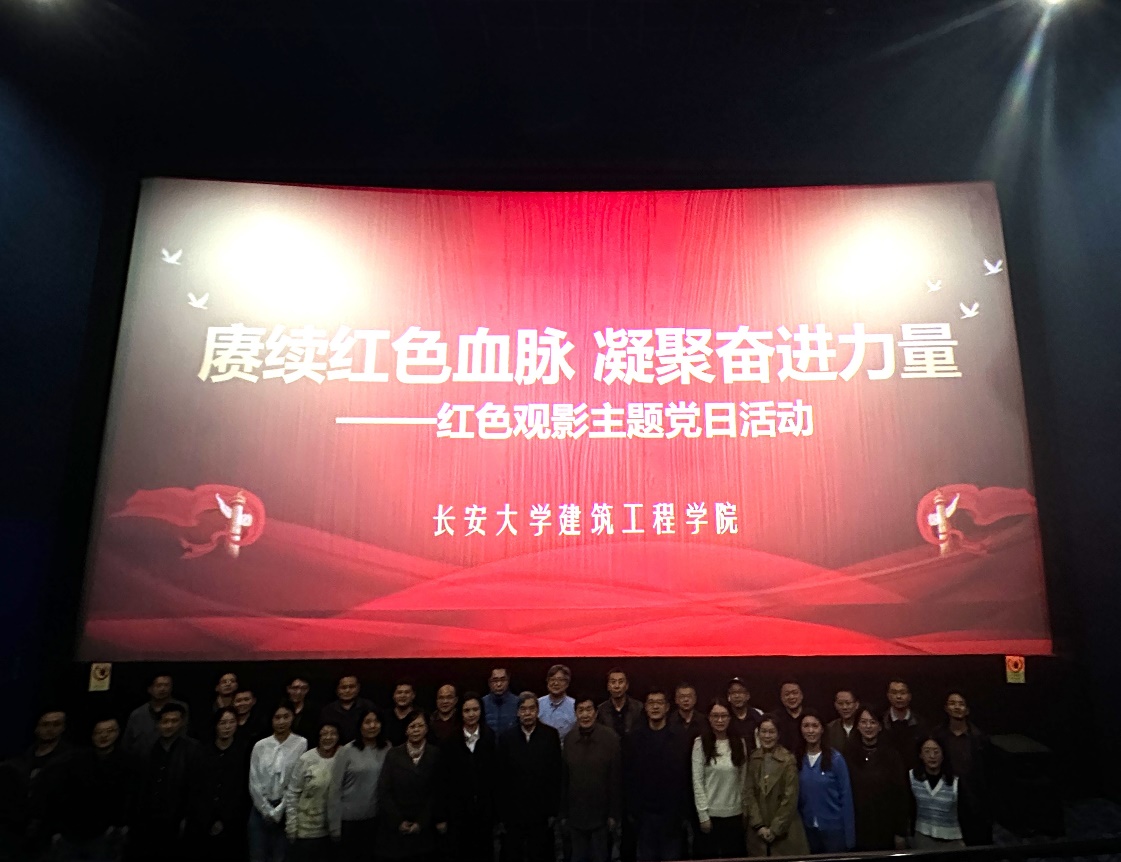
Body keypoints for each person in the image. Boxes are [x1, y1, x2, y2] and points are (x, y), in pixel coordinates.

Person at [622, 688, 690, 862]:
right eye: (651, 703)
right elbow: (628, 777)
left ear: (667, 707)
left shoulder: (680, 738)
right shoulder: (634, 739)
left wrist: (682, 813)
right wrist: (633, 810)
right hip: (644, 817)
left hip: (672, 816)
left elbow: (685, 778)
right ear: (645, 707)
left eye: (659, 703)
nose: (655, 707)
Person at [54, 716, 134, 862]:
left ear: (118, 733)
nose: (104, 735)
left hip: (106, 833)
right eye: (99, 732)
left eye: (109, 731)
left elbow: (129, 797)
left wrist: (120, 824)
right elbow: (63, 795)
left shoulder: (128, 763)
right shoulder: (75, 761)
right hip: (72, 832)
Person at [128, 703, 198, 862]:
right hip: (147, 819)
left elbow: (195, 788)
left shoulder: (192, 750)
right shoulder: (145, 749)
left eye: (174, 721)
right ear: (158, 723)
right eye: (165, 721)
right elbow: (136, 787)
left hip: (176, 819)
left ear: (182, 723)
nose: (169, 725)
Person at [1, 708, 75, 860]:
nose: (50, 729)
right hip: (18, 831)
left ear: (63, 727)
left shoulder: (70, 760)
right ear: (37, 728)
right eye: (46, 724)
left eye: (56, 724)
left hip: (51, 832)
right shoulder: (23, 757)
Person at [497, 692, 562, 862]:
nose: (527, 713)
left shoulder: (550, 735)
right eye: (523, 709)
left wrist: (553, 810)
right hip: (513, 811)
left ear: (537, 711)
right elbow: (501, 778)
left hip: (541, 810)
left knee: (541, 853)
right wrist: (502, 813)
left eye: (531, 709)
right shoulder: (506, 738)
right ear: (518, 712)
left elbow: (556, 774)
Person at [377, 711, 445, 861]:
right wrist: (398, 821)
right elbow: (384, 791)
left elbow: (437, 791)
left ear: (427, 729)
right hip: (397, 826)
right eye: (412, 726)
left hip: (426, 827)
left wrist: (421, 822)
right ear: (406, 730)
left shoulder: (435, 754)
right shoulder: (393, 754)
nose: (416, 730)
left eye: (420, 726)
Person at [439, 692, 498, 862]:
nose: (471, 714)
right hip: (458, 812)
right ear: (461, 713)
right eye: (467, 710)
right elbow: (443, 780)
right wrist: (441, 815)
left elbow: (495, 777)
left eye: (475, 709)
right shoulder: (450, 740)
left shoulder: (489, 737)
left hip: (484, 811)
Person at [562, 694, 620, 862]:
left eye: (588, 710)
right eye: (580, 710)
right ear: (575, 714)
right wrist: (563, 813)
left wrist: (613, 814)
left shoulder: (610, 738)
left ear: (596, 713)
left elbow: (615, 778)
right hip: (576, 815)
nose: (585, 715)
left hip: (601, 816)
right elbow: (565, 779)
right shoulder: (569, 739)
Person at [188, 707, 251, 862]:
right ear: (216, 725)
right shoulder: (202, 752)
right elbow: (195, 787)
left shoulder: (244, 752)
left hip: (233, 821)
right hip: (202, 820)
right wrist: (208, 817)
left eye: (231, 722)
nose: (227, 727)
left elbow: (242, 790)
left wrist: (224, 818)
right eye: (223, 723)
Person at [248, 701, 308, 862]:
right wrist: (266, 809)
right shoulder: (260, 745)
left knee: (281, 856)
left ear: (293, 717)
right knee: (257, 855)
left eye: (286, 717)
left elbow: (296, 780)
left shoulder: (301, 743)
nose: (281, 721)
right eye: (277, 717)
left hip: (287, 807)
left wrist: (280, 810)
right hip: (260, 808)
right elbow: (253, 780)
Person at [329, 704, 389, 862]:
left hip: (377, 819)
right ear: (360, 725)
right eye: (367, 722)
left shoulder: (388, 748)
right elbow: (334, 789)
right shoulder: (346, 751)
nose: (372, 725)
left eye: (376, 721)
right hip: (349, 821)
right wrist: (334, 826)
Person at [743, 714, 809, 858]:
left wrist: (775, 829)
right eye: (763, 731)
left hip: (784, 831)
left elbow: (790, 798)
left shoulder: (788, 760)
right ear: (758, 733)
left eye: (771, 732)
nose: (767, 736)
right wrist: (758, 825)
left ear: (778, 735)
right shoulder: (753, 758)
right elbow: (749, 793)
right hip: (758, 831)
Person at [844, 705, 908, 852]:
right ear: (857, 726)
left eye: (873, 722)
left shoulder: (892, 756)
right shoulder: (848, 755)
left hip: (885, 826)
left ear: (880, 726)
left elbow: (901, 795)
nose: (868, 726)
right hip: (858, 827)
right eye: (863, 722)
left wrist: (900, 832)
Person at [933, 690, 992, 846]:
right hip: (946, 800)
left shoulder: (980, 738)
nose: (957, 707)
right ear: (946, 708)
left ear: (967, 710)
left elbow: (988, 773)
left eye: (961, 704)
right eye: (952, 703)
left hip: (975, 800)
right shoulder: (937, 736)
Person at [689, 699, 746, 859]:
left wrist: (744, 809)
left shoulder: (739, 742)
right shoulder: (700, 743)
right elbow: (697, 782)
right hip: (710, 815)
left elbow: (743, 779)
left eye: (724, 716)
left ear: (730, 718)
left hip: (735, 814)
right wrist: (703, 815)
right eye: (715, 716)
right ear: (709, 718)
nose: (720, 720)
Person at [794, 709, 854, 853]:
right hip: (807, 830)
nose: (810, 730)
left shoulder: (835, 759)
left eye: (815, 726)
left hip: (834, 830)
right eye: (806, 726)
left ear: (822, 729)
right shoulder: (796, 759)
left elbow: (846, 797)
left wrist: (850, 838)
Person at [285, 723, 340, 861]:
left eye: (333, 733)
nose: (328, 737)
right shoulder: (306, 759)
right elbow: (293, 793)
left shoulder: (343, 757)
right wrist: (291, 826)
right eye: (324, 734)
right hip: (306, 830)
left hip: (332, 830)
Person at [909, 736, 964, 850]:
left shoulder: (955, 781)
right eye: (927, 751)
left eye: (936, 751)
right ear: (920, 755)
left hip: (952, 840)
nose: (932, 756)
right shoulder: (912, 777)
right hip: (922, 837)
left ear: (943, 755)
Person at [122, 673, 189, 756]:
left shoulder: (182, 708)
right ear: (149, 689)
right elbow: (127, 743)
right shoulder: (138, 714)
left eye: (166, 685)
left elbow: (185, 734)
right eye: (159, 685)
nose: (163, 689)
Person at [320, 676, 375, 747]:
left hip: (364, 748)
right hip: (336, 750)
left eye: (351, 687)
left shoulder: (368, 707)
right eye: (343, 687)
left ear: (358, 688)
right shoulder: (328, 711)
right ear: (337, 690)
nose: (347, 690)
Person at [883, 679, 927, 766]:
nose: (898, 696)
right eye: (894, 693)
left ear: (909, 696)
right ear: (888, 695)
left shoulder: (920, 723)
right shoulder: (880, 722)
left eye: (902, 693)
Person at [596, 668, 643, 739]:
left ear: (627, 686)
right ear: (608, 686)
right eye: (613, 682)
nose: (617, 686)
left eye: (620, 682)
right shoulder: (601, 710)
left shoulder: (638, 708)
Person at [538, 665, 577, 742]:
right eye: (552, 679)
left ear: (567, 683)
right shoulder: (538, 703)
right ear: (547, 682)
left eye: (560, 680)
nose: (555, 683)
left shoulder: (574, 705)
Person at [483, 668, 519, 737]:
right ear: (489, 683)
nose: (499, 684)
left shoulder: (517, 703)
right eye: (495, 680)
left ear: (508, 681)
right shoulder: (482, 703)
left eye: (503, 680)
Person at [384, 681, 419, 748]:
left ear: (413, 695)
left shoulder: (420, 716)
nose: (403, 696)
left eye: (407, 692)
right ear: (393, 696)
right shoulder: (384, 716)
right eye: (399, 692)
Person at [725, 678, 761, 744]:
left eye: (740, 692)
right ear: (728, 697)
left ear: (748, 695)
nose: (737, 696)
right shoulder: (724, 716)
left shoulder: (758, 714)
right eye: (733, 692)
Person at [774, 679, 806, 752]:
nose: (791, 697)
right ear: (781, 698)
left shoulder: (811, 716)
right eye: (787, 694)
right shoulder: (775, 718)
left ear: (801, 695)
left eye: (795, 693)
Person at [286, 677, 318, 742]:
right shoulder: (280, 707)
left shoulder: (314, 710)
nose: (299, 692)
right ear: (288, 689)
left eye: (303, 688)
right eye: (295, 688)